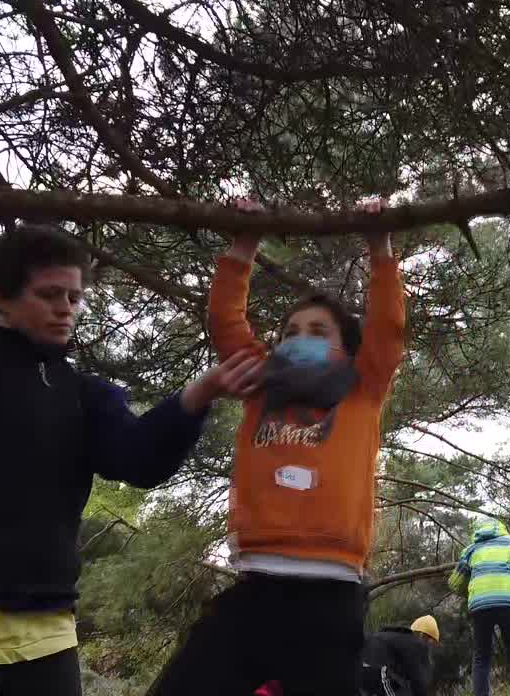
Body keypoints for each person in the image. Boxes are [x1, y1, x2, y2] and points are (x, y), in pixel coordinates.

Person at [0, 162, 262, 696]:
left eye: (74, 297)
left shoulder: (88, 396)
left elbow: (139, 462)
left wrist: (198, 394)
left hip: (46, 637)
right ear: (1, 299)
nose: (66, 309)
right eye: (49, 295)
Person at [149, 197, 406, 695]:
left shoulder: (362, 389)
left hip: (331, 597)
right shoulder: (260, 385)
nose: (300, 337)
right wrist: (242, 244)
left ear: (347, 348)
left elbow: (388, 327)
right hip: (257, 585)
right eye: (291, 331)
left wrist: (381, 248)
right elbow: (226, 322)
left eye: (317, 331)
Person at [449, 518, 510, 696]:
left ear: (478, 531)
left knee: (482, 657)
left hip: (480, 607)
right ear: (501, 528)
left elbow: (455, 584)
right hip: (509, 603)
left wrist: (472, 592)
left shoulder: (471, 550)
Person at [360, 615, 439, 696]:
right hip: (374, 669)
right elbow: (418, 680)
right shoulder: (416, 645)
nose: (430, 647)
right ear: (422, 635)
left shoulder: (395, 638)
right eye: (431, 641)